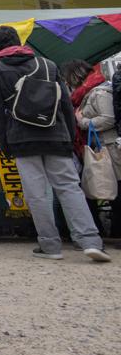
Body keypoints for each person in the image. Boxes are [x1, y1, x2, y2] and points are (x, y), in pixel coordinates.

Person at [0, 27, 110, 262]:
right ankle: (91, 241)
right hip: (56, 134)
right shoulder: (47, 65)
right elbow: (65, 105)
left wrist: (5, 144)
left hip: (21, 137)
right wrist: (69, 135)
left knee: (36, 193)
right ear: (19, 40)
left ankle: (50, 246)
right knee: (69, 187)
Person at [66, 60, 120, 238]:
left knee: (116, 190)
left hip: (109, 147)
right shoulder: (87, 94)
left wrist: (83, 122)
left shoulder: (99, 92)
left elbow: (109, 118)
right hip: (103, 147)